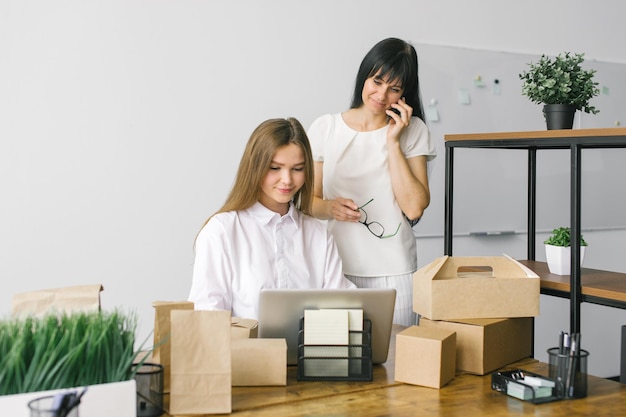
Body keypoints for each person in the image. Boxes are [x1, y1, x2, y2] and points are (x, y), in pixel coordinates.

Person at [307, 38, 436, 326]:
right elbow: (308, 203)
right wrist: (330, 209)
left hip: (395, 271)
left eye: (394, 89)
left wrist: (393, 143)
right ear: (364, 76)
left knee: (397, 361)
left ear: (405, 94)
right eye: (376, 81)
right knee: (337, 362)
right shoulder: (325, 127)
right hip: (335, 267)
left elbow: (414, 208)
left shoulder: (413, 131)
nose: (381, 94)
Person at [188, 117, 355, 320]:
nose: (287, 180)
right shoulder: (222, 231)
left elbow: (341, 304)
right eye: (275, 168)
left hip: (310, 351)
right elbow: (207, 314)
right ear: (255, 167)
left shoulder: (318, 234)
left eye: (297, 169)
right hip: (245, 351)